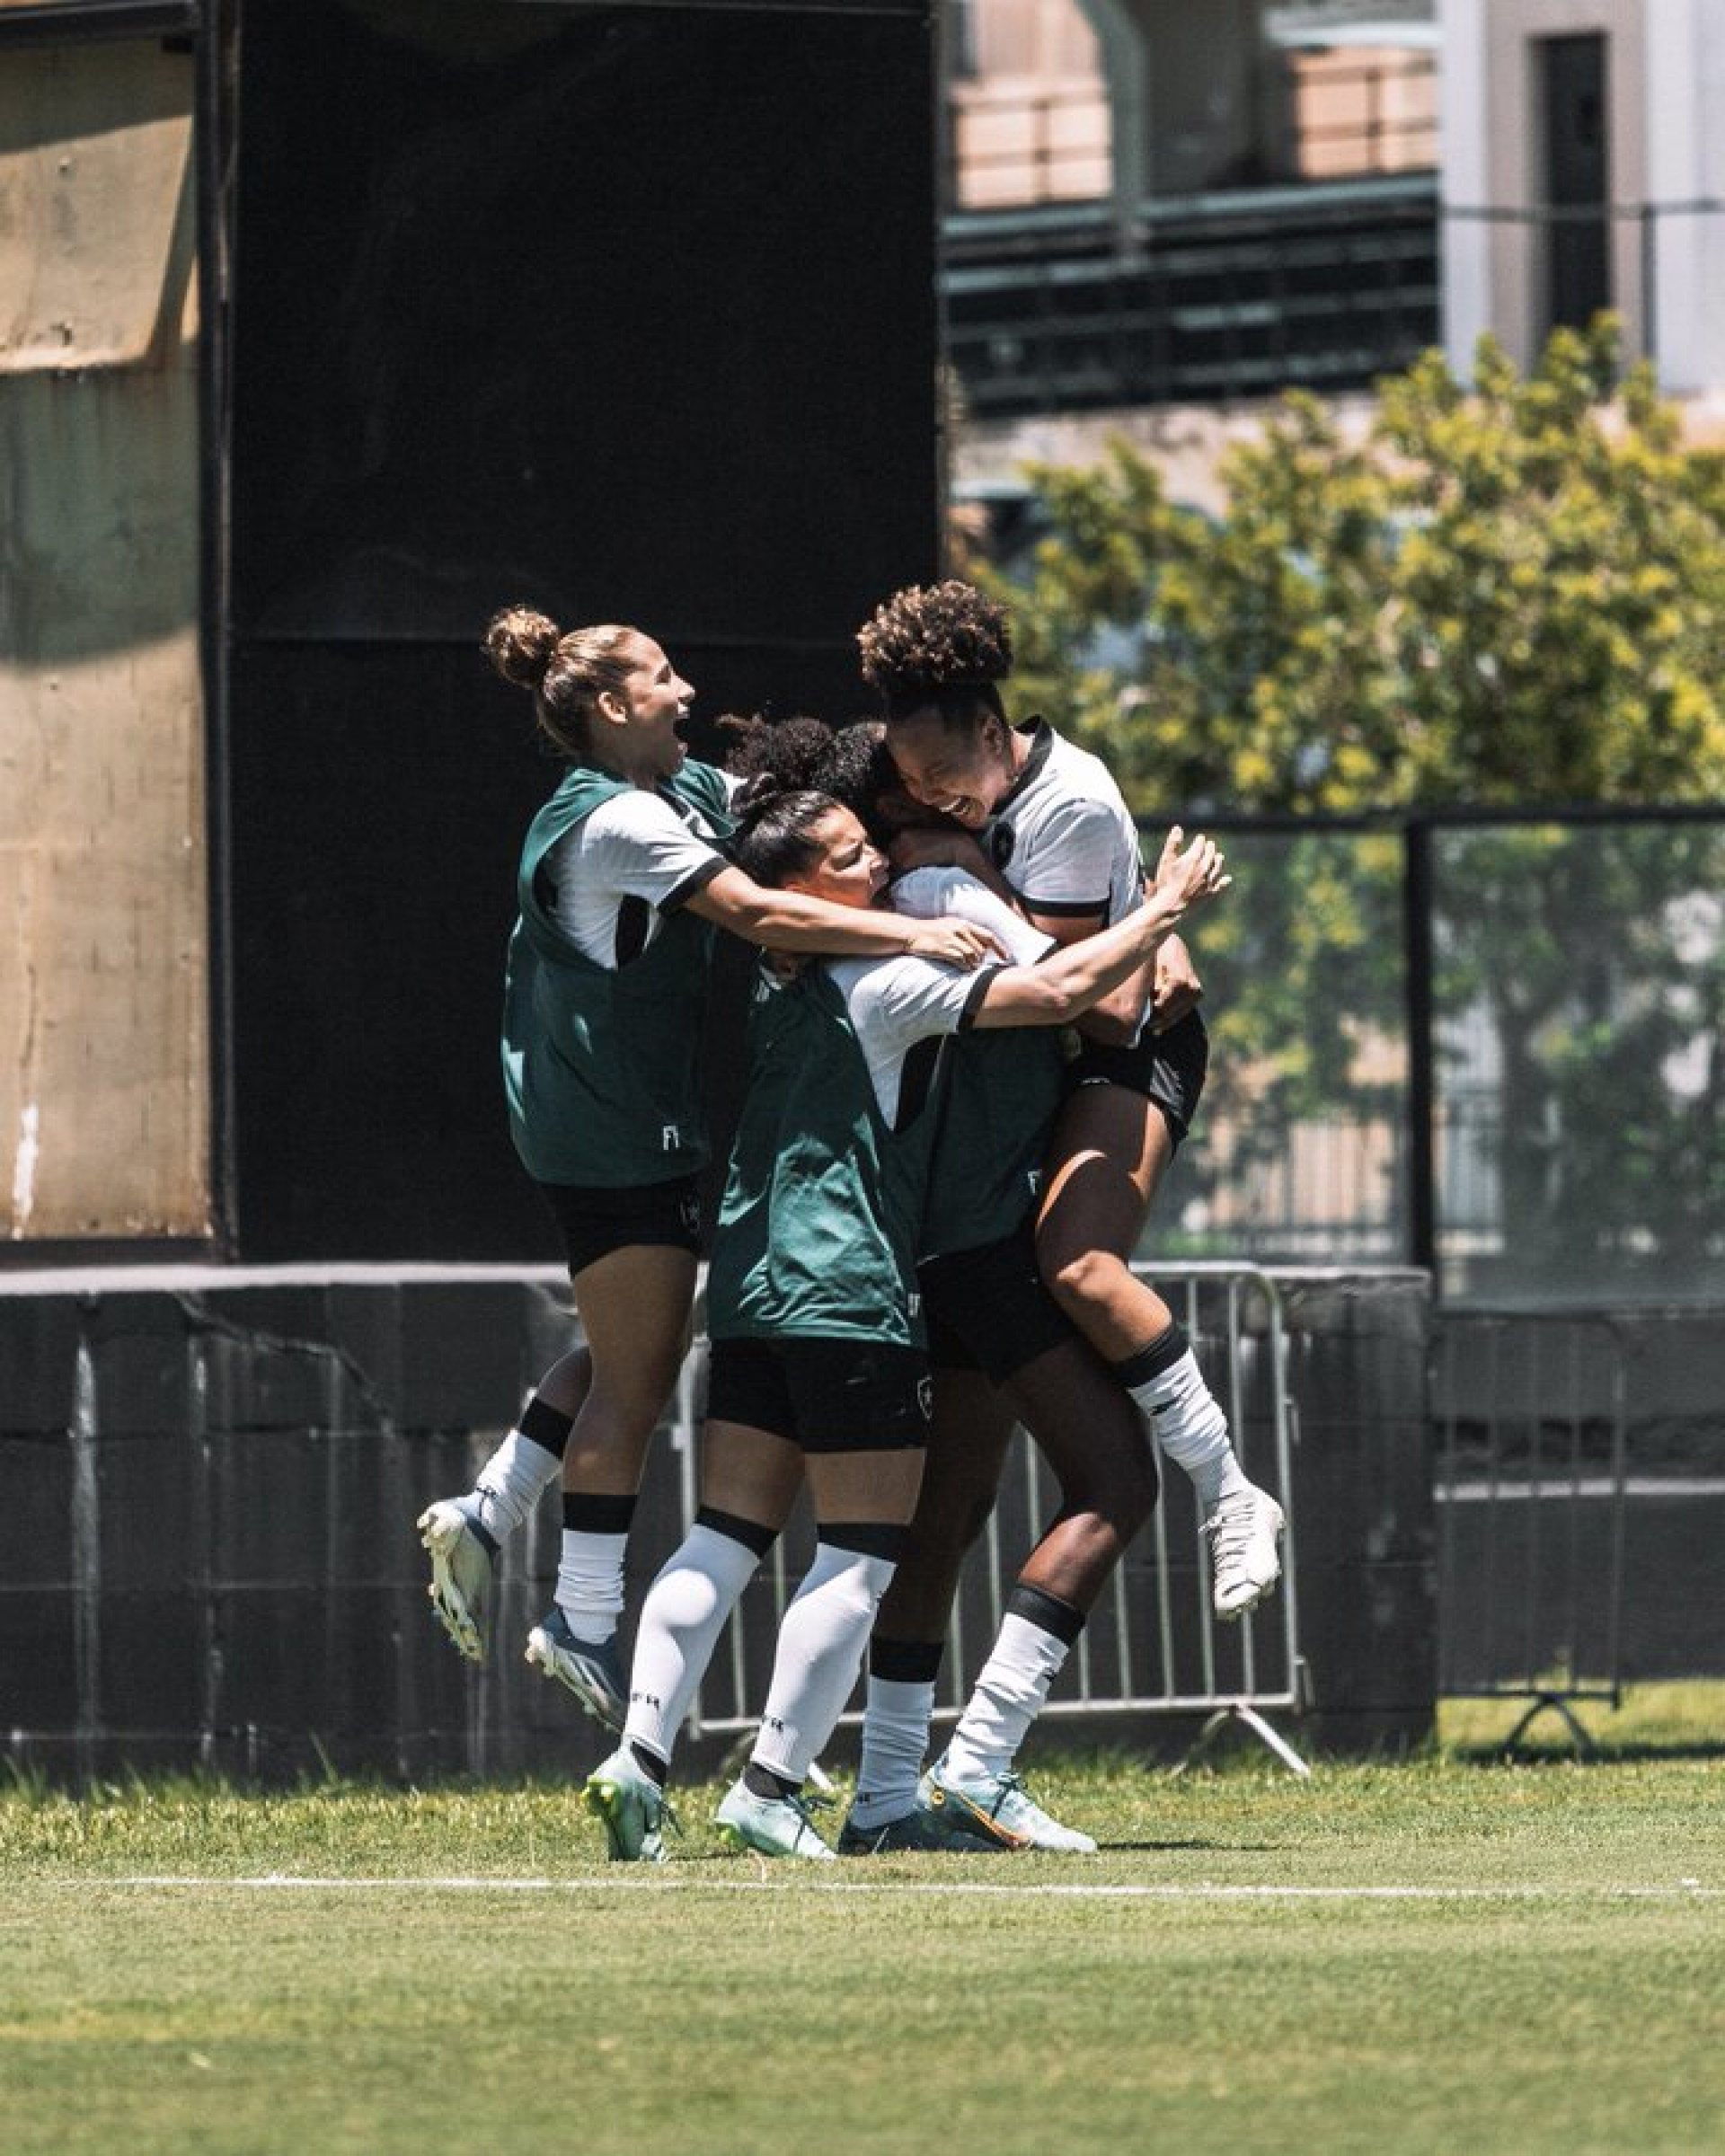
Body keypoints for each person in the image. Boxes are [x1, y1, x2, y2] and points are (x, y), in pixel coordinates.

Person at [582, 725, 1229, 1861]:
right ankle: (772, 1784)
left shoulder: (775, 975)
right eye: (850, 857)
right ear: (795, 891)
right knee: (863, 1555)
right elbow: (1074, 993)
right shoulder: (892, 974)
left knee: (727, 1534)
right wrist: (1162, 907)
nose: (876, 863)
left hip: (749, 1284)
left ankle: (638, 1755)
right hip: (847, 1288)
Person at [414, 611, 998, 1727]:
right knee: (638, 1381)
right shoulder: (615, 821)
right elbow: (759, 907)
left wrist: (926, 781)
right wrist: (913, 933)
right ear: (611, 707)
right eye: (664, 676)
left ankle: (493, 1506)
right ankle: (580, 1618)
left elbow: (784, 820)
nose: (687, 690)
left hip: (629, 1121)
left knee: (638, 1338)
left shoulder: (677, 792)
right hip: (606, 1130)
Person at [855, 579, 1285, 1624]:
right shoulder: (896, 773)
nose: (933, 801)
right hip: (1005, 1104)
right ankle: (874, 1773)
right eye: (912, 786)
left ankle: (1233, 1494)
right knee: (950, 1490)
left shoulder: (1069, 802)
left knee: (1081, 1262)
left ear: (998, 736)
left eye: (952, 781)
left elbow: (1100, 1008)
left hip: (1126, 1053)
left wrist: (965, 869)